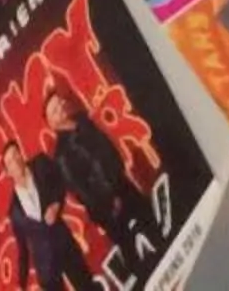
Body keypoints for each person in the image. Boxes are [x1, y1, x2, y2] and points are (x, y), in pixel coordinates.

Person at [42, 85, 154, 267]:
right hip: (107, 207)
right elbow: (80, 189)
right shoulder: (61, 155)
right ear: (51, 123)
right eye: (54, 110)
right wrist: (109, 201)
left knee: (148, 218)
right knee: (129, 248)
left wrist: (118, 173)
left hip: (120, 183)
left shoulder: (82, 121)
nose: (61, 107)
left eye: (59, 103)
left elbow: (105, 147)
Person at [1, 135, 91, 291]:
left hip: (65, 245)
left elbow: (61, 181)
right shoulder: (14, 211)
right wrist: (21, 284)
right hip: (46, 268)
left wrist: (56, 205)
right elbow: (23, 248)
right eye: (10, 162)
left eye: (16, 154)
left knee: (87, 286)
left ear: (21, 154)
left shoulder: (40, 164)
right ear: (7, 172)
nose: (15, 161)